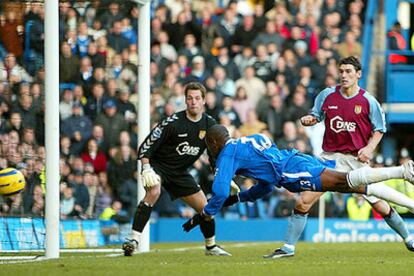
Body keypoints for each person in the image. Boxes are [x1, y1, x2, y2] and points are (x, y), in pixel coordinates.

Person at [181, 125, 414, 258]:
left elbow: (219, 191)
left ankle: (401, 171)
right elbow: (266, 184)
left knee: (350, 182)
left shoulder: (227, 154)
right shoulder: (249, 140)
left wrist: (204, 214)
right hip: (296, 161)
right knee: (354, 185)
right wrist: (240, 197)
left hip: (292, 172)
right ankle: (288, 248)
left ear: (213, 144)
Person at [271, 56, 414, 258]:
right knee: (303, 201)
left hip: (356, 161)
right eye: (341, 71)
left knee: (379, 204)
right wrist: (309, 120)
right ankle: (288, 247)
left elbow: (379, 129)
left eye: (348, 71)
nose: (344, 75)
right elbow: (316, 116)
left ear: (358, 74)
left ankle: (409, 239)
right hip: (329, 158)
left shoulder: (368, 101)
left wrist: (369, 148)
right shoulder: (327, 95)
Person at [122, 82, 231, 256]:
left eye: (197, 98)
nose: (193, 102)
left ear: (204, 101)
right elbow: (145, 146)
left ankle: (211, 246)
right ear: (185, 101)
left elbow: (214, 155)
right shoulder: (173, 122)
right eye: (189, 98)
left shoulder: (210, 124)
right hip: (159, 166)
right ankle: (133, 240)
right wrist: (146, 167)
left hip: (180, 172)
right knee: (154, 191)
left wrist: (224, 175)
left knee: (206, 208)